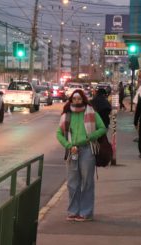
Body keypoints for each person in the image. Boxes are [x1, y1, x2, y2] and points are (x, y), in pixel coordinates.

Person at [56, 89, 106, 222]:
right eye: (74, 99)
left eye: (79, 99)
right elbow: (59, 134)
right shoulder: (66, 115)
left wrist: (90, 137)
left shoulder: (91, 112)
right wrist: (68, 145)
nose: (77, 101)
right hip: (72, 151)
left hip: (87, 150)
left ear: (83, 99)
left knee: (87, 182)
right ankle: (73, 211)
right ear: (71, 100)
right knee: (72, 183)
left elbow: (102, 128)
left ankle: (86, 212)